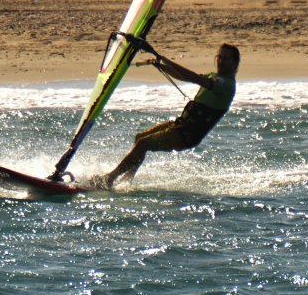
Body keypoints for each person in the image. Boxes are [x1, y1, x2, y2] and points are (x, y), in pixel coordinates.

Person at [97, 43, 240, 188]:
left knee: (143, 144)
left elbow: (193, 78)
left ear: (235, 63)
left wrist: (162, 58)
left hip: (187, 135)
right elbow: (183, 76)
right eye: (219, 57)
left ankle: (110, 179)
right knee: (139, 138)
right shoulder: (214, 76)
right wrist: (160, 65)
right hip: (180, 126)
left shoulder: (227, 85)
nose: (221, 61)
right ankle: (128, 179)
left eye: (226, 59)